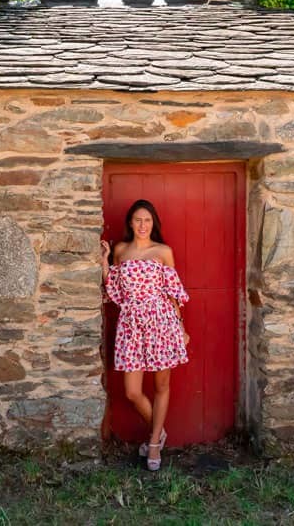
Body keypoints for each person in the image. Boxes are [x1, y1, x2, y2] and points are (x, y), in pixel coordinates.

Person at [100, 199, 190, 471]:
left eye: (147, 220)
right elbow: (115, 290)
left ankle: (153, 443)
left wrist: (181, 328)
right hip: (131, 325)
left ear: (153, 223)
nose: (142, 225)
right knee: (132, 391)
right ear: (130, 222)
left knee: (161, 386)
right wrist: (105, 261)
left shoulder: (163, 251)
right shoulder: (121, 250)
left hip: (162, 322)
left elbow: (173, 293)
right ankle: (159, 433)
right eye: (138, 220)